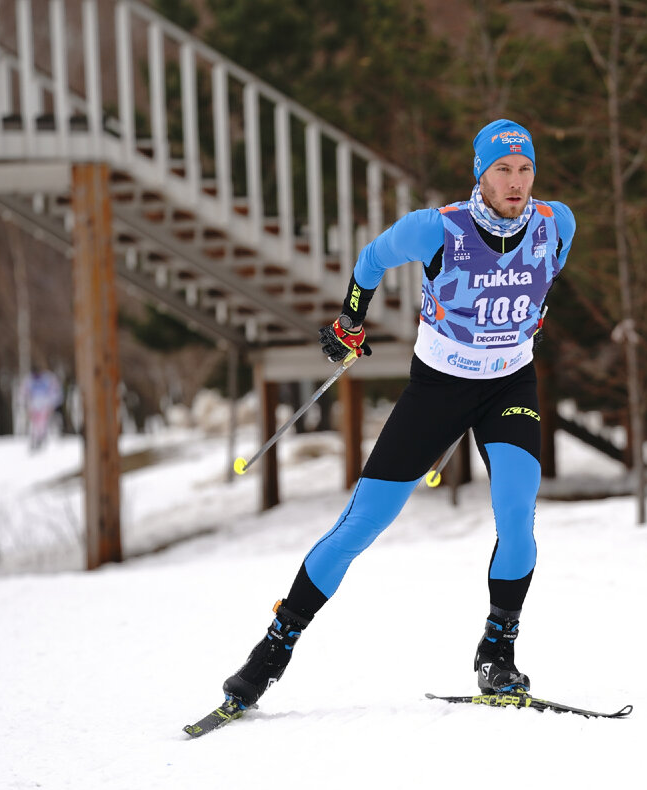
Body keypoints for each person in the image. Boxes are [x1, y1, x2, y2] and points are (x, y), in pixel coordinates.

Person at [217, 119, 576, 710]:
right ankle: (272, 651)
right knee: (363, 523)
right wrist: (350, 322)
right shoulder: (437, 230)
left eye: (525, 169)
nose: (516, 182)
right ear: (480, 176)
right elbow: (371, 258)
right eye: (502, 170)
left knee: (517, 518)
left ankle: (497, 653)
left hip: (510, 385)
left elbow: (539, 281)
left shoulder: (555, 224)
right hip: (437, 390)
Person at [21, 368, 63, 452]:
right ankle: (35, 439)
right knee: (35, 424)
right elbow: (24, 393)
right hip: (34, 406)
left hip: (44, 405)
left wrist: (52, 404)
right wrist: (25, 403)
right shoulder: (29, 380)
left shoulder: (47, 379)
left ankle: (41, 439)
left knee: (42, 424)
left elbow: (55, 391)